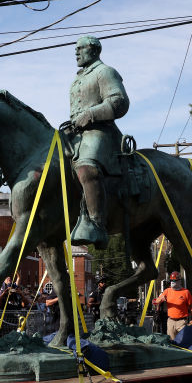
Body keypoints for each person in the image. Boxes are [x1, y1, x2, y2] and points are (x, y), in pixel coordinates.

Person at [67, 35, 130, 249]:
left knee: (86, 169)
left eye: (80, 48)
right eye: (75, 49)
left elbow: (119, 102)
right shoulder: (79, 78)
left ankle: (97, 224)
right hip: (77, 134)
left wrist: (91, 114)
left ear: (93, 50)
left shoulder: (105, 72)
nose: (76, 52)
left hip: (101, 133)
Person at [153, 271, 192, 340]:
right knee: (172, 342)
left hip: (182, 322)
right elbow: (155, 301)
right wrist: (160, 300)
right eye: (171, 280)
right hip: (171, 321)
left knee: (184, 341)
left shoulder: (186, 292)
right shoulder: (167, 291)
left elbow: (191, 307)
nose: (172, 282)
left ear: (179, 281)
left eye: (174, 280)